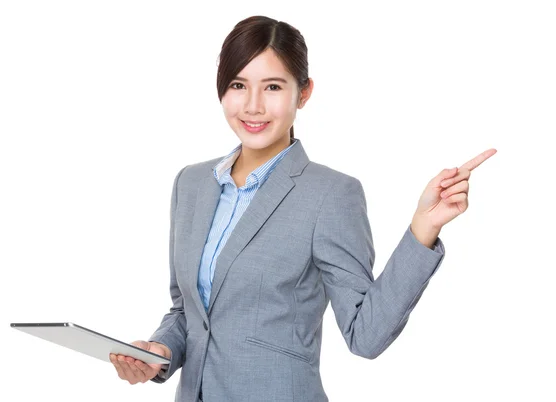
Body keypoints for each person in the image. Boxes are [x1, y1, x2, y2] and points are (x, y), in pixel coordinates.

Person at [109, 15, 496, 402]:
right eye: (238, 85)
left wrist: (421, 230)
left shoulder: (330, 194)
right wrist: (158, 352)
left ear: (304, 93)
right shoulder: (191, 184)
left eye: (273, 86)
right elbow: (188, 311)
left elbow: (366, 334)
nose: (253, 105)